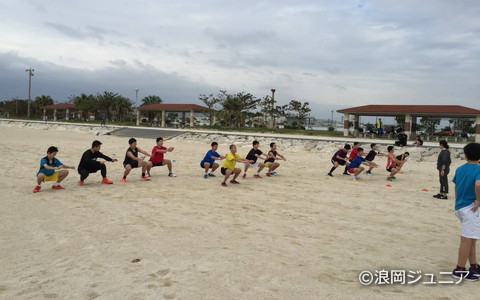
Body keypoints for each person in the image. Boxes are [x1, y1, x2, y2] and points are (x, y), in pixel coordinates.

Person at [450, 143, 480, 281]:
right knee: (467, 240)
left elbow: (456, 186)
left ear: (465, 154)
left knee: (471, 238)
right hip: (471, 208)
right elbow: (478, 184)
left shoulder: (460, 169)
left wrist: (458, 201)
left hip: (461, 206)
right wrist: (478, 200)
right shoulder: (478, 169)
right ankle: (460, 269)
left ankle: (474, 266)